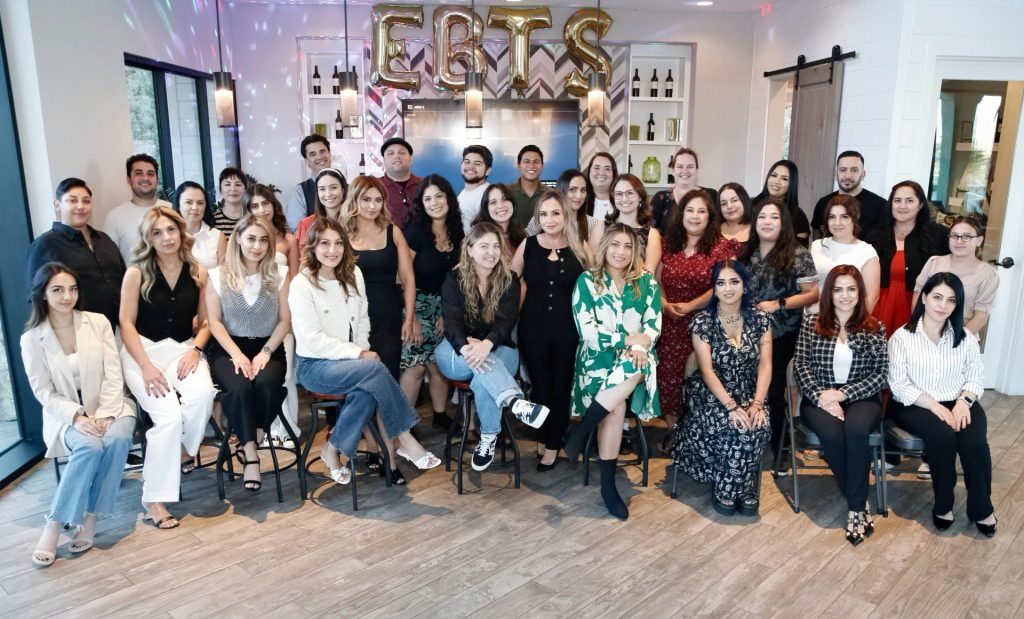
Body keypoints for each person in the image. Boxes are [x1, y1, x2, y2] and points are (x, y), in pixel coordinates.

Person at [290, 218, 441, 486]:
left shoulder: (353, 274)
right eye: (324, 243)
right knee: (374, 369)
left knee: (368, 388)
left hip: (351, 363)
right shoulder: (302, 285)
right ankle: (404, 437)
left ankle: (332, 449)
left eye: (338, 243)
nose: (332, 250)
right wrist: (358, 355)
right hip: (315, 366)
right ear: (312, 246)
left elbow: (362, 321)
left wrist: (360, 351)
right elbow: (312, 340)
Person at [21, 263, 136, 568]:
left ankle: (90, 517)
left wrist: (107, 415)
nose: (66, 296)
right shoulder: (32, 339)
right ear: (43, 295)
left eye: (72, 289)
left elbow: (114, 374)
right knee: (89, 446)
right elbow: (44, 392)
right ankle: (55, 523)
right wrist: (78, 418)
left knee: (118, 437)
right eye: (57, 290)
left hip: (111, 406)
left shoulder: (97, 323)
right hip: (66, 415)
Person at [119, 206, 216, 529]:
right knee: (168, 417)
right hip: (141, 352)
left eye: (170, 230)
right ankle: (153, 498)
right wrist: (145, 366)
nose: (166, 238)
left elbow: (206, 322)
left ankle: (182, 451)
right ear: (148, 238)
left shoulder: (197, 271)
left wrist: (196, 349)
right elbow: (125, 323)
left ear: (180, 231)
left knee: (203, 395)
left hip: (182, 350)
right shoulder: (136, 273)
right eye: (157, 233)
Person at [888, 272, 996, 537]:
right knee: (943, 436)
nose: (942, 305)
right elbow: (899, 385)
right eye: (937, 297)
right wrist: (935, 407)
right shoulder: (902, 338)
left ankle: (982, 509)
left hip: (959, 400)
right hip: (916, 404)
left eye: (950, 300)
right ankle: (943, 505)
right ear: (924, 297)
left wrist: (963, 402)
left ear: (956, 305)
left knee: (974, 443)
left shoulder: (966, 338)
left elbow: (975, 377)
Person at [435, 222, 549, 471]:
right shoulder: (454, 278)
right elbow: (452, 319)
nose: (491, 252)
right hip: (458, 352)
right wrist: (467, 346)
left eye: (496, 246)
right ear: (469, 250)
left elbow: (505, 322)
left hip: (499, 349)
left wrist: (485, 345)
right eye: (483, 246)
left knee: (482, 378)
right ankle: (514, 400)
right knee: (480, 366)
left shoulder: (510, 279)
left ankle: (488, 437)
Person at [566, 223, 662, 519]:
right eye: (616, 245)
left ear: (636, 251)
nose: (621, 252)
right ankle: (607, 486)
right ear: (605, 247)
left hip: (636, 360)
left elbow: (653, 324)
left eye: (628, 246)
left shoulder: (646, 282)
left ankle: (580, 432)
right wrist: (625, 340)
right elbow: (587, 333)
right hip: (596, 360)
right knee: (616, 407)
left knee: (635, 365)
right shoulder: (587, 281)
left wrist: (639, 346)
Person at [793, 265, 888, 545]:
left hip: (861, 398)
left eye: (851, 289)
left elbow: (881, 374)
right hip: (818, 397)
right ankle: (859, 503)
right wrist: (824, 396)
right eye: (837, 289)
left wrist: (843, 395)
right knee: (833, 434)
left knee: (857, 431)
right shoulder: (812, 323)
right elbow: (802, 365)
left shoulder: (874, 327)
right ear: (828, 293)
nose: (844, 295)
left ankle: (855, 507)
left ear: (859, 292)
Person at [672, 260, 772, 516]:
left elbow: (765, 365)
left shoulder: (761, 319)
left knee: (758, 423)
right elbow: (706, 370)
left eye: (734, 282)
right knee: (735, 425)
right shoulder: (703, 321)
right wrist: (731, 406)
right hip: (710, 392)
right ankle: (733, 488)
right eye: (721, 283)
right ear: (714, 289)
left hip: (750, 390)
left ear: (745, 286)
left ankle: (736, 485)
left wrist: (758, 403)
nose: (728, 288)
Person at [204, 216, 291, 491]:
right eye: (251, 238)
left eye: (263, 240)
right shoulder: (217, 275)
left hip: (269, 347)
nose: (257, 246)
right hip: (228, 348)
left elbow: (285, 321)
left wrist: (265, 352)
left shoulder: (280, 274)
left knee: (266, 384)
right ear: (238, 238)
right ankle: (251, 453)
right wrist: (237, 355)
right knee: (240, 388)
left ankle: (256, 432)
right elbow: (214, 322)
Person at [512, 190, 590, 471]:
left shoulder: (579, 247)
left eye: (555, 213)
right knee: (541, 389)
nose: (550, 219)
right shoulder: (528, 245)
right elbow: (509, 282)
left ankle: (553, 444)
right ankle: (544, 437)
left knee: (561, 389)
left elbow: (594, 286)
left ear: (565, 215)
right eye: (543, 214)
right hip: (533, 330)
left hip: (568, 331)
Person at [656, 189, 739, 446]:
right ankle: (675, 433)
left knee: (699, 379)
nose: (695, 216)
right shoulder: (667, 243)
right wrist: (663, 304)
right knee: (667, 377)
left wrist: (691, 305)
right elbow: (656, 279)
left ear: (709, 216)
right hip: (669, 321)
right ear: (681, 214)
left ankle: (698, 436)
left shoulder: (721, 247)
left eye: (701, 211)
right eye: (690, 210)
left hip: (705, 323)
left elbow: (725, 285)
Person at [740, 198, 819, 455]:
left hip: (782, 334)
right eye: (762, 216)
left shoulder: (798, 254)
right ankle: (747, 438)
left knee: (773, 390)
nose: (767, 222)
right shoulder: (745, 252)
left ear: (783, 222)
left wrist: (779, 304)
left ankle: (780, 447)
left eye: (774, 217)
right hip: (746, 332)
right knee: (745, 385)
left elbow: (812, 294)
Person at [400, 175, 464, 432]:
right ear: (421, 204)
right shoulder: (414, 233)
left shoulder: (459, 232)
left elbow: (462, 277)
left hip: (448, 307)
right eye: (428, 198)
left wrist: (448, 314)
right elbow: (403, 277)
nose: (435, 202)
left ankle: (439, 415)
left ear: (449, 198)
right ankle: (404, 424)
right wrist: (411, 317)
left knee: (439, 366)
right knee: (415, 368)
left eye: (439, 196)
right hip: (416, 304)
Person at [26, 178, 125, 330]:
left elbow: (123, 278)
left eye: (86, 201)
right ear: (57, 205)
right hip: (76, 331)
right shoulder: (45, 245)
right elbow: (37, 297)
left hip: (118, 326)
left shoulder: (104, 239)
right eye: (72, 201)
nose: (81, 206)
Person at [867, 180, 949, 333]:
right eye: (897, 200)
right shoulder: (874, 236)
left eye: (909, 201)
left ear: (920, 205)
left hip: (918, 306)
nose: (902, 206)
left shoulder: (938, 235)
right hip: (879, 305)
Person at [913, 216, 998, 335]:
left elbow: (981, 316)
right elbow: (918, 296)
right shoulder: (934, 262)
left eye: (966, 237)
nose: (959, 241)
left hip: (961, 338)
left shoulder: (987, 274)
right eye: (954, 236)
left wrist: (956, 342)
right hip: (925, 333)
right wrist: (920, 329)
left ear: (979, 240)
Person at [809, 194, 880, 313]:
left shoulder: (866, 252)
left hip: (846, 324)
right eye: (832, 217)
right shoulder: (816, 246)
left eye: (844, 217)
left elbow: (871, 298)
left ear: (855, 217)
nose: (837, 222)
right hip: (811, 319)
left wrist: (849, 327)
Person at [104, 154, 172, 263]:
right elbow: (110, 262)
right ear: (129, 180)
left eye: (150, 174)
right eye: (138, 173)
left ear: (157, 180)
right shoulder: (114, 218)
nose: (145, 178)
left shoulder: (172, 210)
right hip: (135, 280)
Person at [590, 174, 662, 272]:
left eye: (629, 193)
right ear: (613, 197)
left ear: (640, 196)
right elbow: (592, 266)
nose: (624, 199)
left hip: (636, 286)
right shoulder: (600, 227)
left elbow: (648, 275)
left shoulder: (652, 235)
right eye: (619, 194)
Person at [811, 151, 888, 240]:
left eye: (854, 170)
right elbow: (816, 237)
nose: (848, 175)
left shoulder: (880, 206)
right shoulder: (823, 203)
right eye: (843, 170)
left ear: (863, 174)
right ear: (836, 174)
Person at [650, 148, 718, 230]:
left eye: (690, 167)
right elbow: (652, 232)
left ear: (696, 170)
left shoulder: (712, 195)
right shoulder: (661, 198)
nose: (685, 171)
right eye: (680, 167)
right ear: (672, 171)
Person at [245, 183, 300, 280]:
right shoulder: (242, 239)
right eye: (255, 206)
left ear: (273, 205)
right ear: (249, 210)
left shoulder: (289, 240)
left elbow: (294, 280)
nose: (262, 210)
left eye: (265, 203)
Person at [752, 160, 811, 246]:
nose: (776, 181)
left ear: (791, 184)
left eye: (784, 179)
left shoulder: (798, 217)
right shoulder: (751, 206)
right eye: (774, 175)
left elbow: (801, 253)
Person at [173, 181, 226, 269]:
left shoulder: (217, 236)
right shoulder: (169, 237)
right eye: (189, 202)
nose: (195, 207)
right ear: (178, 205)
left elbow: (224, 274)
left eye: (200, 203)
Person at [285, 134, 333, 231]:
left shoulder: (347, 187)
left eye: (322, 151)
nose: (319, 157)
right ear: (307, 161)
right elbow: (298, 230)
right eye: (313, 154)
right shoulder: (298, 192)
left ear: (330, 153)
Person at [296, 168, 348, 251]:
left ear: (343, 189)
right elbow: (305, 260)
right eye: (322, 189)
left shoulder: (356, 220)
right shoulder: (307, 224)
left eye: (333, 187)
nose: (328, 194)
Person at [376, 137, 421, 228]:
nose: (396, 156)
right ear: (384, 161)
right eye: (390, 153)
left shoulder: (424, 185)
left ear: (411, 159)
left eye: (402, 152)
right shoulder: (375, 187)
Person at [473, 183, 526, 257]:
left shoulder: (519, 235)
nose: (500, 206)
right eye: (493, 202)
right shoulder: (481, 237)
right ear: (486, 209)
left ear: (512, 203)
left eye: (504, 199)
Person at [551, 169, 598, 243]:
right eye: (573, 190)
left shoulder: (594, 224)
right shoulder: (543, 219)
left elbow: (593, 254)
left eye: (583, 190)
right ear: (561, 190)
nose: (579, 196)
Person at [457, 145, 493, 232]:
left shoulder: (488, 194)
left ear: (487, 170)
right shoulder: (464, 192)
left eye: (477, 163)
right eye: (467, 162)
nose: (470, 166)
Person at [510, 144, 545, 230]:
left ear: (542, 166)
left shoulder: (551, 194)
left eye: (536, 162)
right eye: (526, 161)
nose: (531, 166)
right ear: (518, 165)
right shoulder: (506, 192)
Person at [212, 167, 248, 234]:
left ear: (245, 189)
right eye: (227, 184)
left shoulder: (253, 217)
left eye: (238, 184)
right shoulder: (213, 220)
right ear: (220, 189)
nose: (233, 189)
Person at [586, 152, 617, 221]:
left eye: (607, 169)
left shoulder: (622, 201)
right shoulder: (580, 201)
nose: (601, 173)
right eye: (597, 168)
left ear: (613, 174)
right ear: (589, 172)